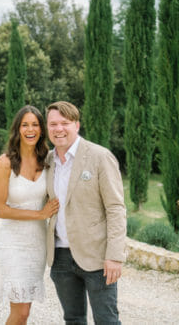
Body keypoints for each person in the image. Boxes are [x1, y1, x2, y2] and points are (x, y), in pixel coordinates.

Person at [45, 101, 127, 324]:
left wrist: (114, 256)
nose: (59, 129)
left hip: (97, 257)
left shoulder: (100, 157)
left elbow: (116, 208)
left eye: (65, 123)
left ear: (77, 125)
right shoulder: (48, 161)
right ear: (47, 128)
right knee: (73, 319)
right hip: (60, 257)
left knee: (106, 320)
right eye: (53, 124)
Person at [0, 105, 60, 325]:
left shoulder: (47, 162)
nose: (30, 129)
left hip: (37, 244)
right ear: (17, 129)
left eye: (35, 124)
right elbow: (0, 210)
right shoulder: (5, 163)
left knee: (26, 310)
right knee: (19, 311)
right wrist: (40, 214)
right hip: (13, 244)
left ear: (41, 129)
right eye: (25, 125)